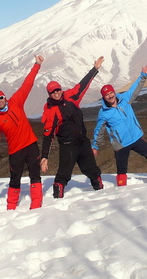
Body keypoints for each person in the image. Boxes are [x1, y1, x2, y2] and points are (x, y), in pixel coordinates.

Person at [0, 55, 44, 210]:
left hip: (31, 145)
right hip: (15, 151)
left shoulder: (16, 102)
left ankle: (36, 204)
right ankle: (11, 206)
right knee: (15, 179)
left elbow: (27, 85)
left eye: (1, 97)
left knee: (35, 175)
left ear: (5, 98)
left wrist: (37, 65)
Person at [40, 57, 105, 199]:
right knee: (63, 174)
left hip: (82, 142)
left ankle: (101, 194)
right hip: (68, 146)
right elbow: (48, 135)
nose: (56, 93)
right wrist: (45, 156)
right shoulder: (50, 111)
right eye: (52, 92)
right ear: (49, 94)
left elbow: (82, 85)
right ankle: (57, 199)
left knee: (92, 170)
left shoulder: (71, 97)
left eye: (57, 90)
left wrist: (94, 69)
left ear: (61, 90)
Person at [93, 64, 147, 186]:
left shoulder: (125, 99)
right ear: (104, 97)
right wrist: (95, 146)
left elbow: (135, 89)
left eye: (111, 93)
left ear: (114, 92)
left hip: (136, 138)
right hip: (121, 144)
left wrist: (144, 75)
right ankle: (122, 190)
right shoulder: (103, 113)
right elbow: (99, 130)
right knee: (122, 169)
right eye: (107, 95)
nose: (110, 96)